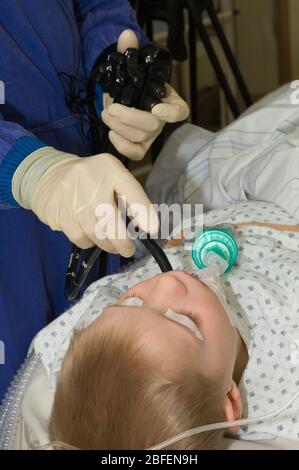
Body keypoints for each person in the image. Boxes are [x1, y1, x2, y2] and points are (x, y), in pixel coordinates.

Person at [0, 0, 189, 401]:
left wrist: (117, 74)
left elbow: (98, 5)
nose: (175, 294)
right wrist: (27, 170)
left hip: (88, 174)